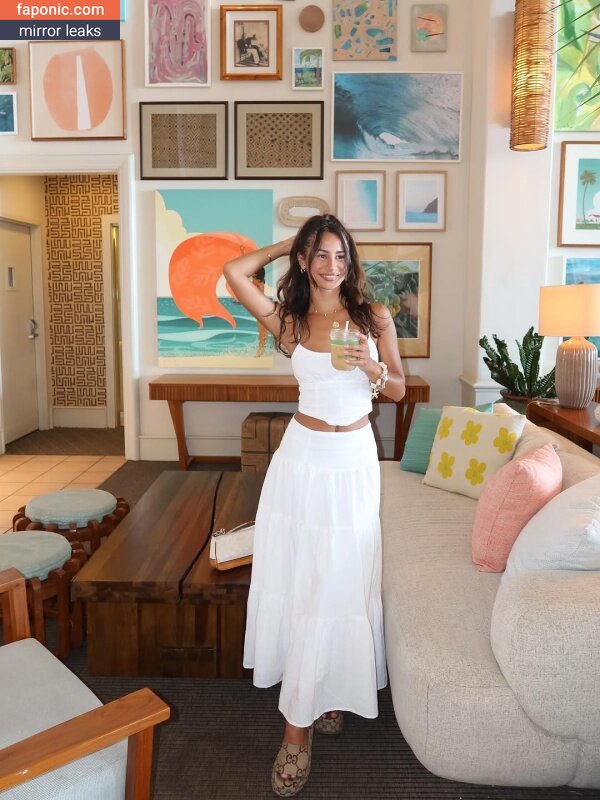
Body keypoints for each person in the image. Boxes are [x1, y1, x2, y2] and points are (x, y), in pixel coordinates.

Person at [223, 214, 406, 797]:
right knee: (306, 582)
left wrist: (372, 367)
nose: (333, 266)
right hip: (302, 462)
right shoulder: (291, 320)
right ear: (305, 260)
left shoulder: (374, 317)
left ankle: (327, 689)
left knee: (341, 582)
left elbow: (399, 388)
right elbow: (234, 272)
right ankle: (296, 730)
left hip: (353, 462)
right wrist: (290, 242)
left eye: (341, 255)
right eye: (321, 255)